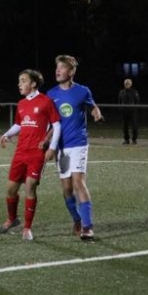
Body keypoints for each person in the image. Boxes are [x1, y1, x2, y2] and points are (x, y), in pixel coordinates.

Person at [0, 69, 61, 241]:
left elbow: (56, 125)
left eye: (23, 81)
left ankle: (27, 228)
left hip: (36, 153)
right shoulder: (21, 104)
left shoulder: (46, 102)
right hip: (21, 152)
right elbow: (19, 124)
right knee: (11, 189)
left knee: (30, 186)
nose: (19, 84)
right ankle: (12, 219)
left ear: (33, 84)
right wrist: (7, 134)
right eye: (19, 81)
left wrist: (52, 147)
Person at [46, 54, 103, 240]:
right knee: (67, 189)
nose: (58, 70)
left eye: (62, 67)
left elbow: (93, 106)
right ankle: (77, 219)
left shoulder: (82, 91)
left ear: (71, 71)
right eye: (57, 67)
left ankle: (87, 227)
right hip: (61, 148)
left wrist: (96, 114)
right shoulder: (51, 95)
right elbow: (51, 123)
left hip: (78, 143)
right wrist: (47, 140)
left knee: (79, 183)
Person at [118, 78, 139, 145]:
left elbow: (137, 101)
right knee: (125, 127)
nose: (127, 85)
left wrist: (135, 109)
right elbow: (119, 101)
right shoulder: (122, 92)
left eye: (128, 83)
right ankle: (126, 140)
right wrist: (121, 109)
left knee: (134, 126)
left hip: (132, 112)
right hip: (124, 112)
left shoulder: (134, 92)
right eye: (126, 83)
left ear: (131, 84)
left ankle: (134, 140)